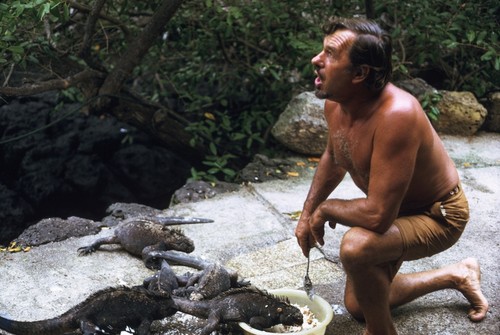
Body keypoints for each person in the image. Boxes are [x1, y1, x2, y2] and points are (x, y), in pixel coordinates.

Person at [294, 16, 489, 335]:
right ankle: (458, 274)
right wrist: (306, 214)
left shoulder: (397, 114)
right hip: (397, 208)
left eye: (330, 54)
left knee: (356, 247)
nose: (317, 60)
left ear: (359, 73)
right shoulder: (337, 104)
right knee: (359, 305)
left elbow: (377, 215)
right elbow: (333, 159)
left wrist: (326, 209)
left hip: (439, 214)